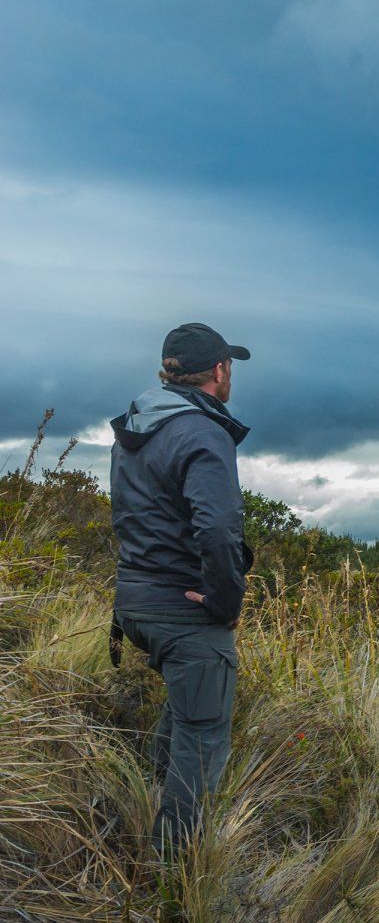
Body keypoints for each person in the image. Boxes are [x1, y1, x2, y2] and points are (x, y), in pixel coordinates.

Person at [108, 322, 253, 849]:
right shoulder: (203, 432)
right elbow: (216, 529)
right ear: (219, 372)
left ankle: (142, 819)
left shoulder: (136, 426)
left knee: (183, 722)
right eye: (230, 367)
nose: (230, 375)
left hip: (135, 601)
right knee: (202, 739)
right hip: (183, 610)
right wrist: (224, 600)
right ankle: (173, 880)